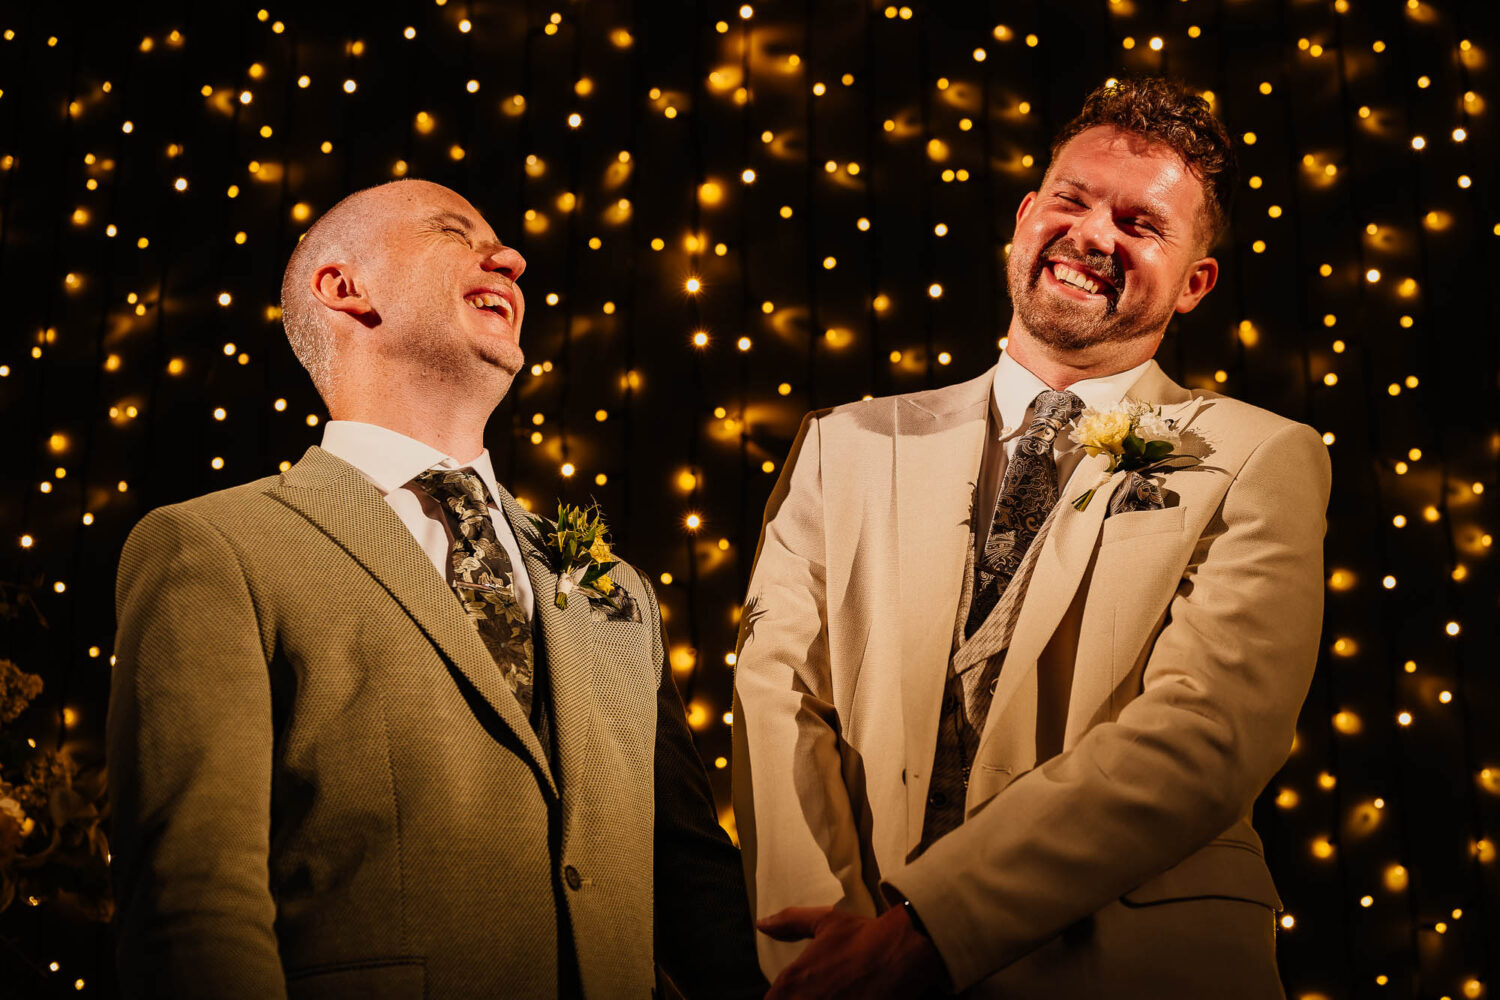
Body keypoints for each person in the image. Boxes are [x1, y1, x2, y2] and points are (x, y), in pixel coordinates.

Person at [731, 77, 1331, 998]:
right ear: (1024, 218)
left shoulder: (1260, 456)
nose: (1093, 235)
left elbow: (1204, 734)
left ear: (1195, 283)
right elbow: (780, 698)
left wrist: (924, 936)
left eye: (1142, 224)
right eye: (1072, 200)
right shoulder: (842, 443)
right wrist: (825, 954)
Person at [108, 179, 766, 1000]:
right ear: (345, 288)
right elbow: (193, 901)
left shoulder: (610, 584)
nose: (511, 258)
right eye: (454, 231)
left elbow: (688, 877)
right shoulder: (216, 548)